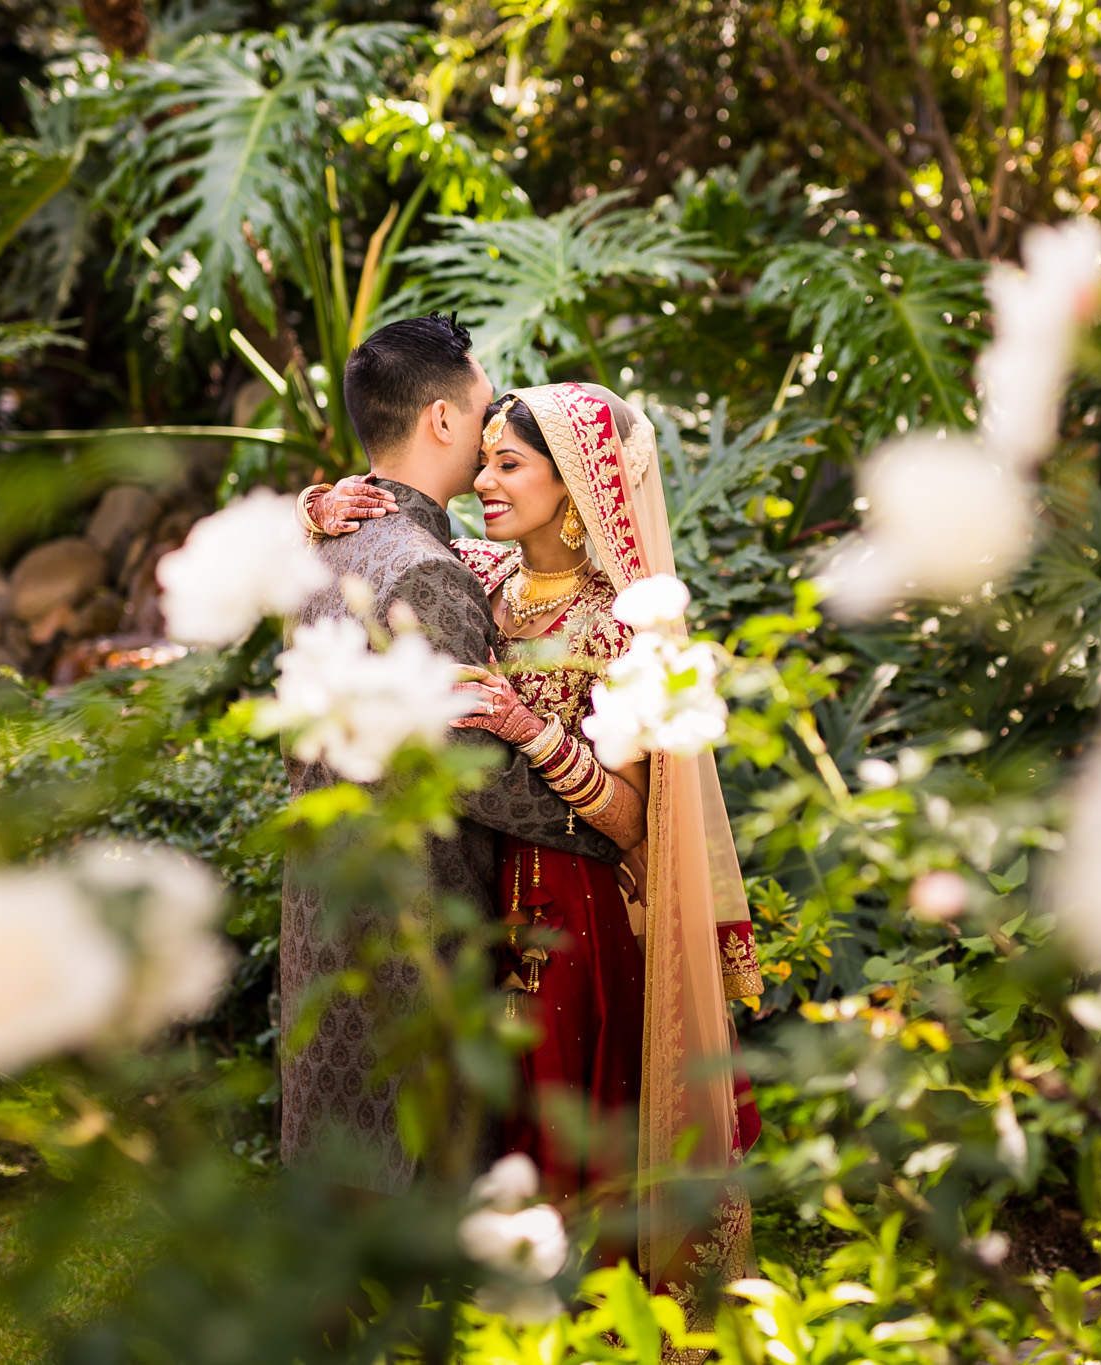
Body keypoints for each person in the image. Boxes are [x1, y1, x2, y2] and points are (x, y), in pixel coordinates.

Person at [304, 381, 763, 1310]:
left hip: (576, 916)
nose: (482, 479)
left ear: (576, 488)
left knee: (564, 1122)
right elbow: (384, 545)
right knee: (495, 1133)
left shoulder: (619, 624)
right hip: (486, 900)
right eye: (484, 460)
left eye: (508, 465)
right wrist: (315, 508)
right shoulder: (485, 572)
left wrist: (528, 727)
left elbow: (636, 819)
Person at [278, 316, 623, 1193]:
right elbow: (473, 774)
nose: (488, 426)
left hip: (325, 912)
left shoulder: (327, 545)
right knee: (424, 1187)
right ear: (440, 420)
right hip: (414, 933)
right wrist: (616, 827)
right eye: (479, 409)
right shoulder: (429, 569)